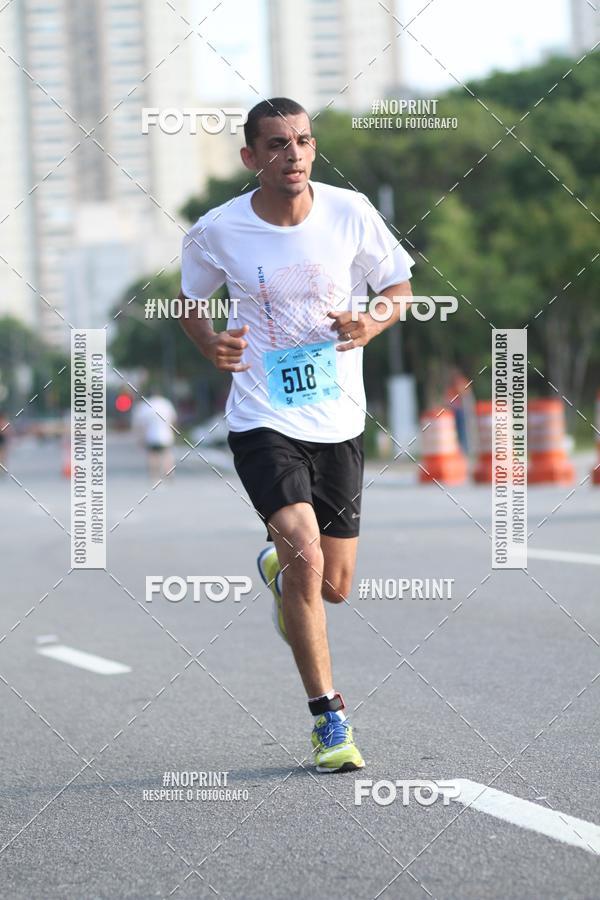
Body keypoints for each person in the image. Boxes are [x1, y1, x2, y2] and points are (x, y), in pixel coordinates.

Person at [179, 98, 415, 773]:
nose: (294, 155)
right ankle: (329, 720)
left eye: (304, 141)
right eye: (277, 145)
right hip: (262, 418)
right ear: (251, 157)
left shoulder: (349, 211)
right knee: (307, 556)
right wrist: (210, 343)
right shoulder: (217, 230)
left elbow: (396, 285)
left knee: (332, 585)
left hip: (338, 420)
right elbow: (191, 304)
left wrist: (369, 324)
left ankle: (280, 571)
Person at [132, 392, 177, 481]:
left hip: (151, 435)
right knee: (167, 454)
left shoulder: (145, 406)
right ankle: (169, 473)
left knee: (152, 455)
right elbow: (173, 419)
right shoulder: (166, 404)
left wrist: (140, 438)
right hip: (165, 434)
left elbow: (140, 424)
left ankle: (154, 476)